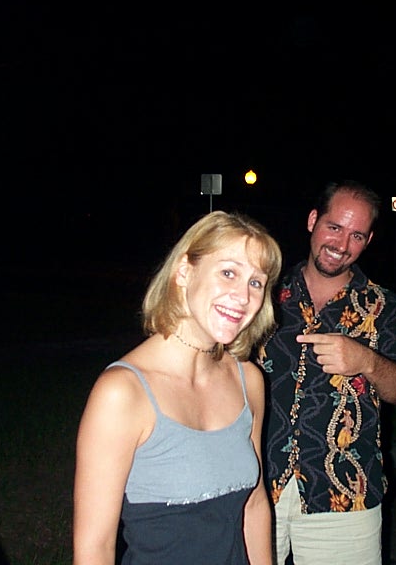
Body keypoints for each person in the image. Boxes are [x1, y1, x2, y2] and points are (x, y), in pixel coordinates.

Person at [73, 210, 282, 565]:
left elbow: (255, 504)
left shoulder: (248, 380)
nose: (243, 296)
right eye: (228, 273)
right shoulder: (123, 393)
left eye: (256, 283)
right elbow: (95, 547)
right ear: (184, 271)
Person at [256, 179, 396, 565]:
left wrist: (367, 361)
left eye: (356, 235)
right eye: (334, 227)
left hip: (345, 497)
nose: (342, 244)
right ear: (313, 221)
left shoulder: (384, 306)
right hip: (257, 487)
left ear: (368, 240)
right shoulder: (264, 294)